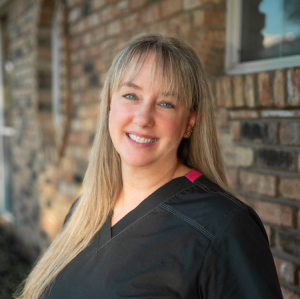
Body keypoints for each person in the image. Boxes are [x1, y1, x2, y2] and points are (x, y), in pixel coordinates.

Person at [15, 33, 283, 299]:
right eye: (131, 95)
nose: (143, 118)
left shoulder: (223, 228)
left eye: (166, 103)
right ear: (110, 102)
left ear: (190, 121)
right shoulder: (84, 212)